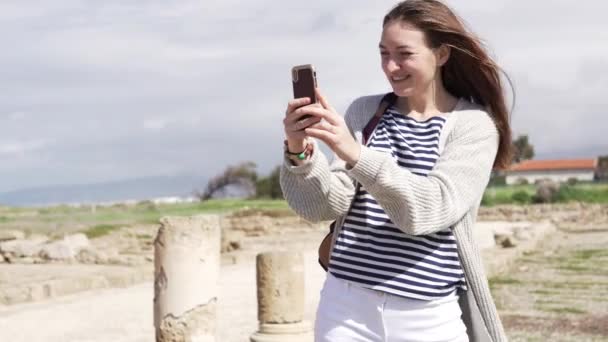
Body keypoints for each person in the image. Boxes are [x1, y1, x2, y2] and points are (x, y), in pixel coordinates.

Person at [280, 0, 512, 341]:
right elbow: (325, 206)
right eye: (383, 53)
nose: (391, 67)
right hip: (345, 306)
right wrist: (299, 152)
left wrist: (356, 154)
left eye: (404, 54)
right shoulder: (366, 112)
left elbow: (429, 210)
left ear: (442, 54)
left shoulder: (473, 127)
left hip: (427, 314)